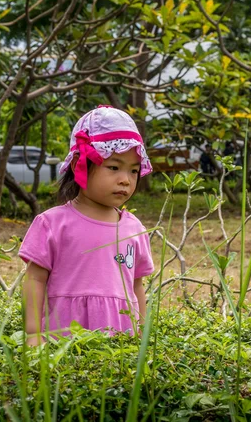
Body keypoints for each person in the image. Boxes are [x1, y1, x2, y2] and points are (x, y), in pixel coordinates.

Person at [19, 106, 155, 346]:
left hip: (120, 346)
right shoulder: (52, 224)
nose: (125, 179)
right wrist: (32, 333)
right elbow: (34, 280)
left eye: (133, 170)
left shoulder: (133, 228)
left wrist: (143, 337)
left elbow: (137, 286)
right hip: (63, 342)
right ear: (78, 166)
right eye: (114, 167)